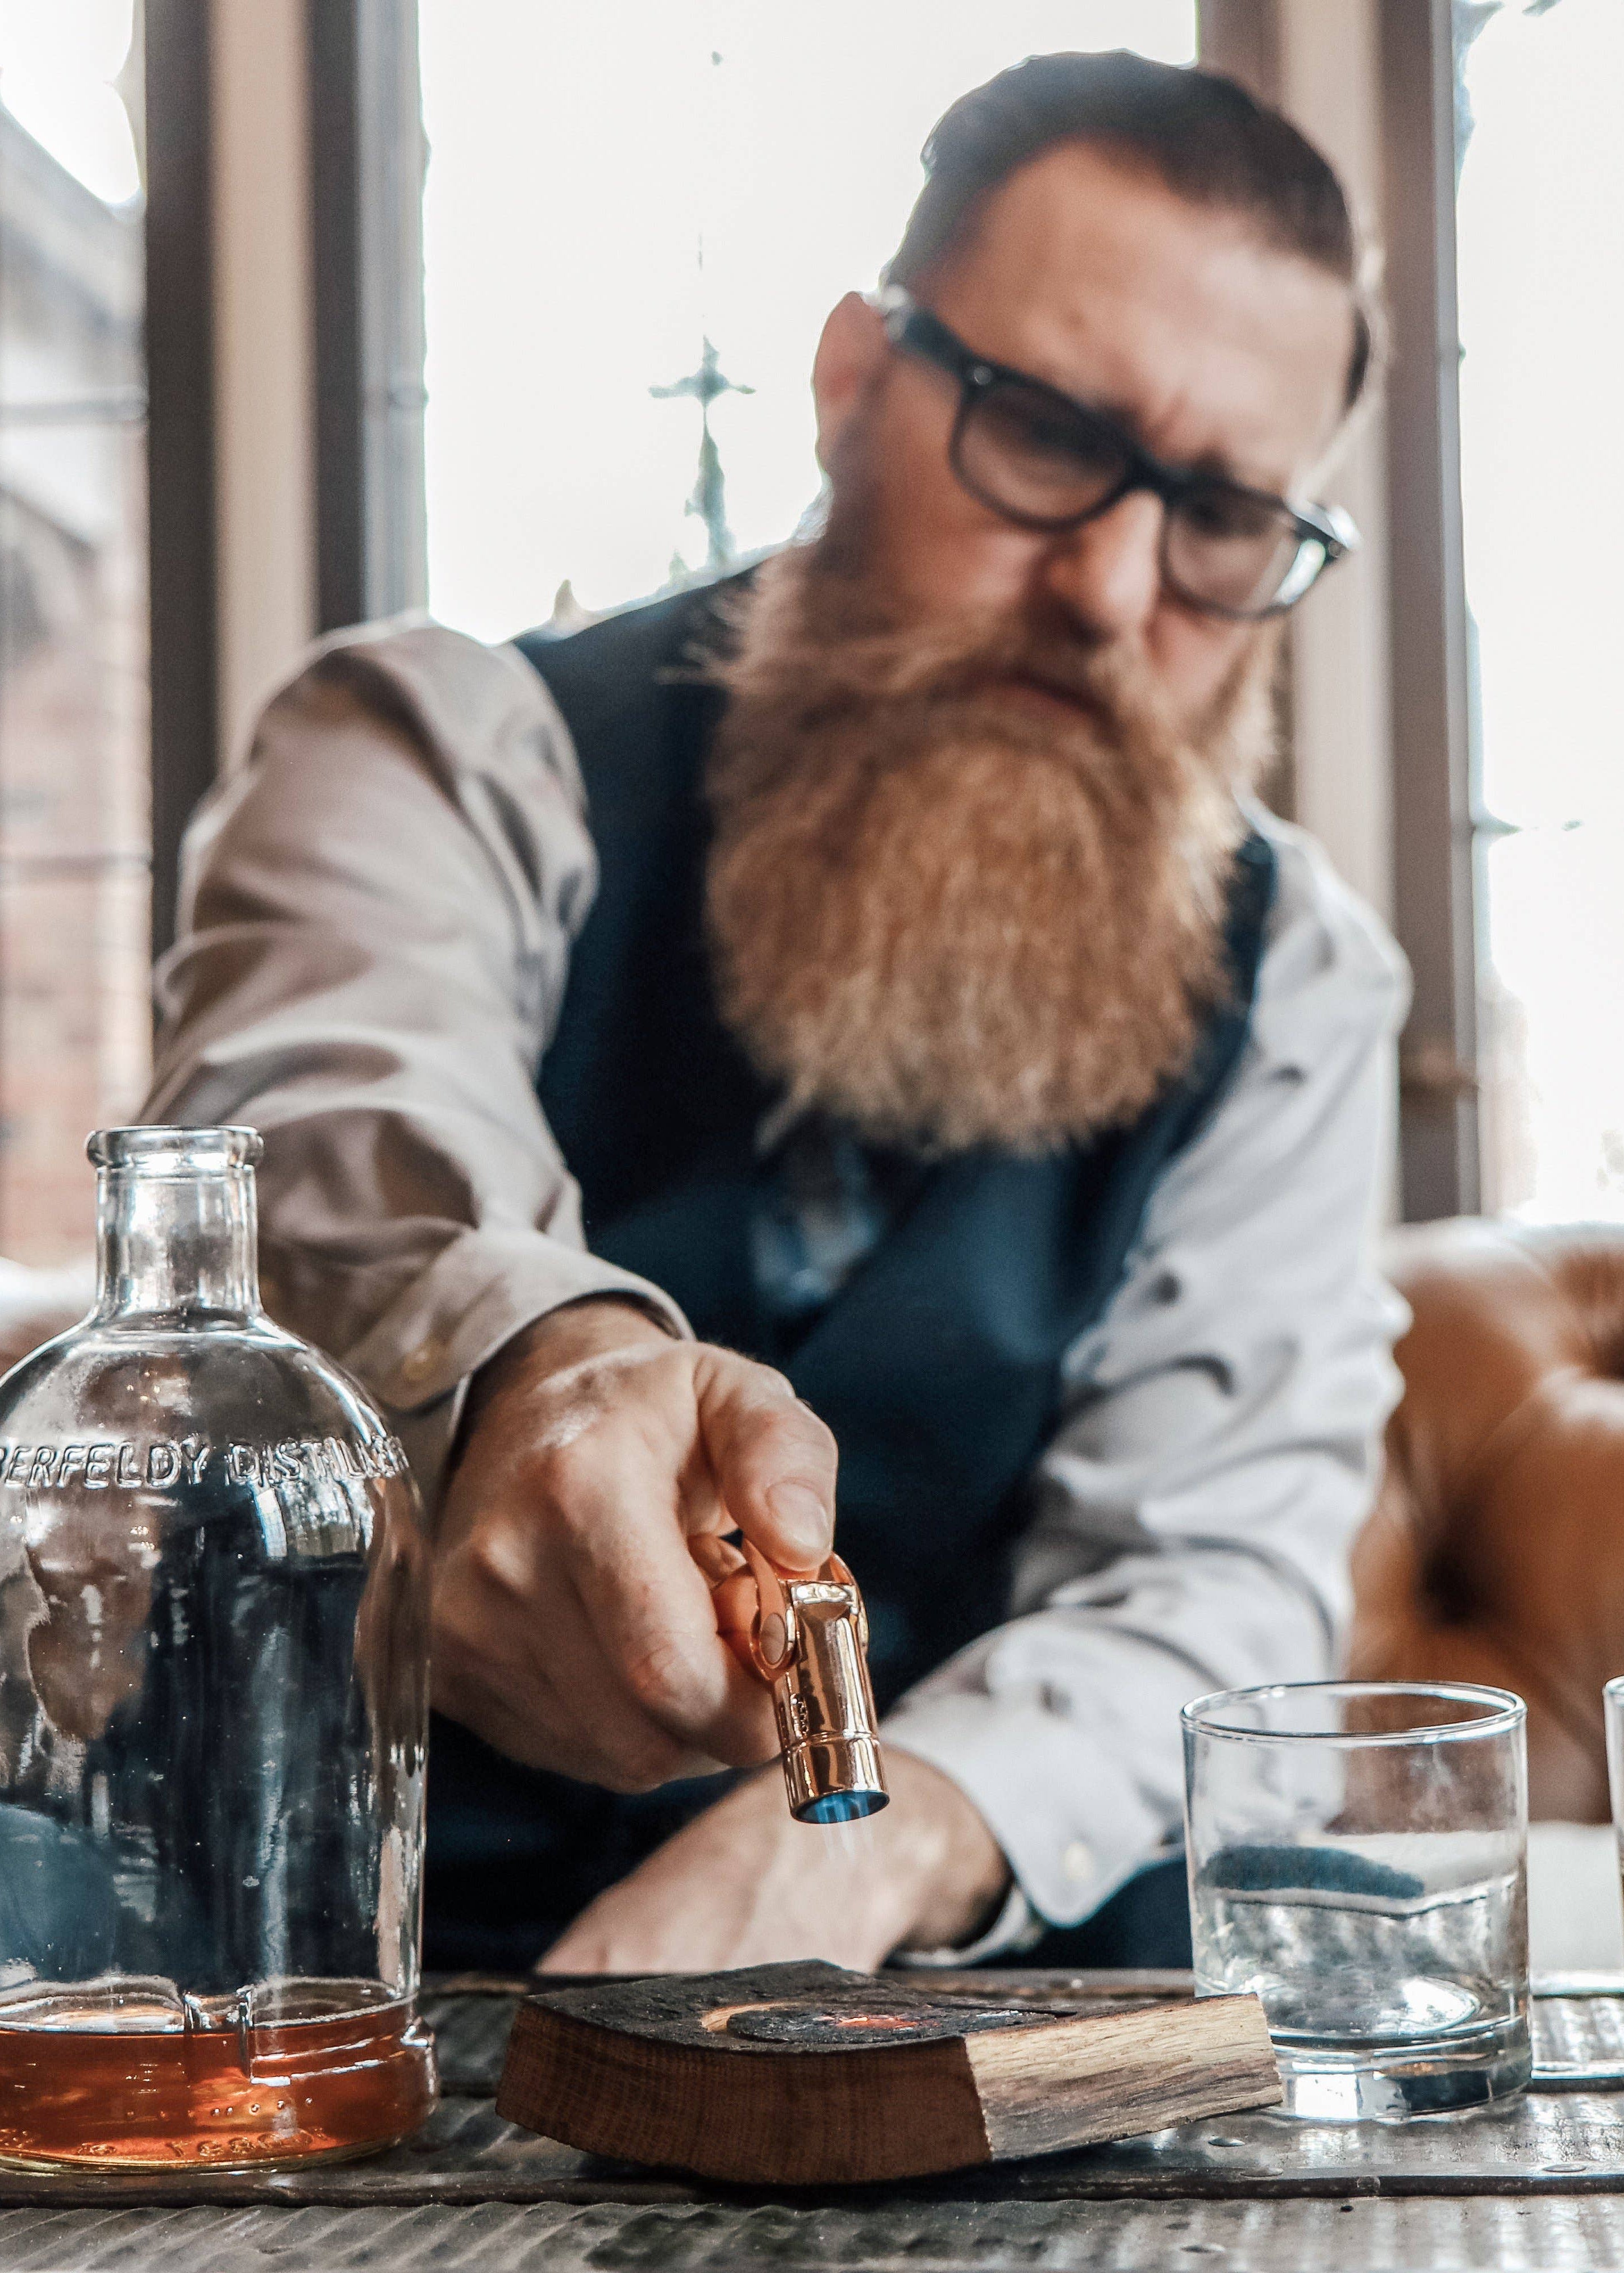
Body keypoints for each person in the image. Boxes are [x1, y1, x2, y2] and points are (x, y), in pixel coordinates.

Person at [146, 51, 1408, 1975]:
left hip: (935, 1980)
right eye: (1049, 434)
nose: (1112, 583)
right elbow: (325, 1149)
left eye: (1227, 516)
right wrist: (543, 1385)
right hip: (343, 1942)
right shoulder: (430, 749)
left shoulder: (1294, 976)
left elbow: (1204, 1589)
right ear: (851, 382)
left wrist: (850, 1856)